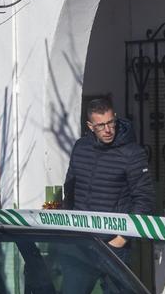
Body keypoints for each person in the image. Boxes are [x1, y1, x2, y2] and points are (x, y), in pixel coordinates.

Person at [63, 97, 155, 270]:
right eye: (100, 126)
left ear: (115, 118)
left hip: (114, 246)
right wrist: (70, 230)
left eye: (111, 123)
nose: (108, 130)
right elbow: (70, 189)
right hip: (80, 242)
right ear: (90, 126)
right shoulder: (80, 147)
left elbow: (144, 199)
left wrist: (121, 239)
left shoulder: (132, 153)